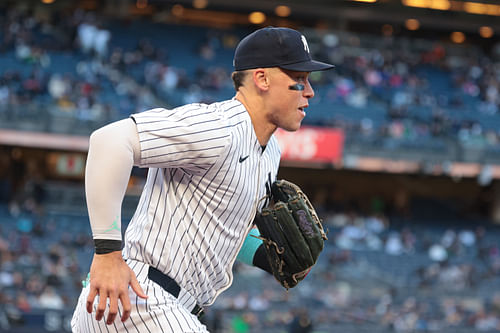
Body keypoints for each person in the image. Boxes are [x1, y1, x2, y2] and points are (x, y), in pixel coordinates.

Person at [71, 26, 334, 332]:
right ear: (262, 79)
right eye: (298, 80)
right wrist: (107, 254)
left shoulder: (270, 153)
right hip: (143, 297)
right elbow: (109, 141)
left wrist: (267, 258)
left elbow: (227, 225)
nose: (310, 91)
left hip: (153, 304)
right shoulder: (218, 128)